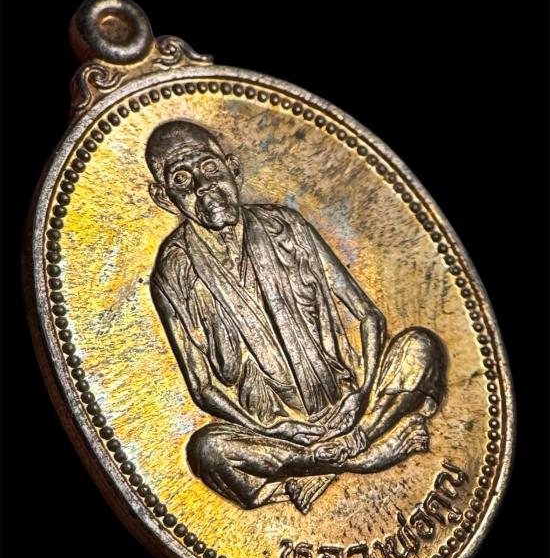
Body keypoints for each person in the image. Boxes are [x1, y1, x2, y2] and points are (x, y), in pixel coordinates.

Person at [146, 120, 447, 513]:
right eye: (182, 181)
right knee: (207, 450)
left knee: (421, 345)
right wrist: (270, 427)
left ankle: (342, 450)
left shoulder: (285, 224)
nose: (204, 188)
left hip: (354, 404)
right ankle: (360, 457)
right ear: (164, 197)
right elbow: (202, 387)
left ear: (233, 169)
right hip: (279, 434)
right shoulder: (174, 269)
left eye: (210, 169)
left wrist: (362, 393)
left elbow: (367, 315)